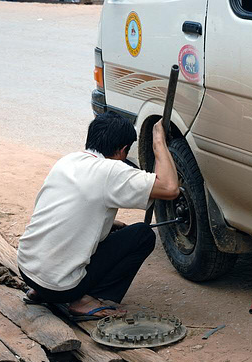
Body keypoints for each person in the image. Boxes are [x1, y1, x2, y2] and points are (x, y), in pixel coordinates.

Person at [17, 112, 179, 318]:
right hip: (61, 286)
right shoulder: (111, 171)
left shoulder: (68, 160)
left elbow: (68, 211)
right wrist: (159, 142)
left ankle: (41, 291)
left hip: (27, 269)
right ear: (122, 150)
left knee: (116, 229)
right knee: (142, 234)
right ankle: (86, 300)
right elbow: (170, 188)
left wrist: (109, 225)